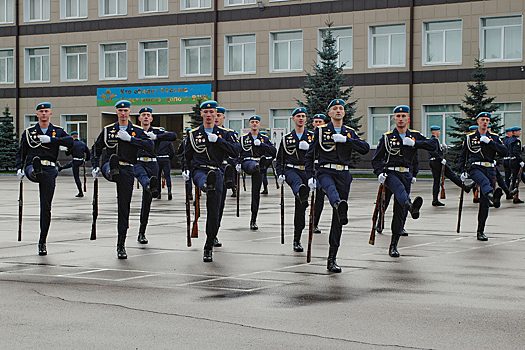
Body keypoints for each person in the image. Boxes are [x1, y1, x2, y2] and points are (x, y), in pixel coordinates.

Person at [305, 99, 370, 272]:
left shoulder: (349, 132)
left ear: (344, 113)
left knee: (338, 220)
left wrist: (347, 140)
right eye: (335, 108)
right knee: (333, 195)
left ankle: (332, 258)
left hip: (343, 174)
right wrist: (310, 176)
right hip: (325, 171)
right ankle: (338, 204)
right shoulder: (320, 131)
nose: (339, 111)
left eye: (341, 108)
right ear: (329, 113)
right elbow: (310, 155)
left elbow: (365, 148)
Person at [91, 100, 154, 259]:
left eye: (126, 110)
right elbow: (96, 149)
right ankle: (111, 170)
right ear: (117, 112)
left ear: (129, 112)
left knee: (124, 207)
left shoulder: (137, 131)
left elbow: (150, 146)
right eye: (120, 110)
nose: (123, 113)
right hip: (110, 166)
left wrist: (131, 140)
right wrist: (94, 166)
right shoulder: (108, 130)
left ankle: (121, 244)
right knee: (111, 165)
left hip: (127, 168)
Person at [372, 105, 435, 258]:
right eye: (398, 116)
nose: (401, 119)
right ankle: (410, 205)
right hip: (391, 173)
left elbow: (433, 145)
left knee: (399, 213)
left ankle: (394, 245)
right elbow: (376, 159)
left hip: (406, 174)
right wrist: (379, 173)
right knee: (398, 191)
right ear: (394, 119)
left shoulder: (414, 136)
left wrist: (415, 144)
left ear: (408, 119)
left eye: (403, 116)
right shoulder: (387, 137)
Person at [183, 100, 239, 262]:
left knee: (214, 212)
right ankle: (207, 185)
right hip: (200, 169)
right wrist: (186, 169)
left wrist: (219, 141)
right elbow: (186, 155)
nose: (209, 115)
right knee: (204, 181)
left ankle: (209, 244)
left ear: (216, 114)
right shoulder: (193, 134)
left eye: (212, 112)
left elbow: (236, 151)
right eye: (205, 112)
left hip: (218, 170)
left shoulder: (225, 134)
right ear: (201, 114)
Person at [16, 102, 74, 255]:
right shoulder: (29, 132)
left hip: (49, 168)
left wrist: (52, 140)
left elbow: (70, 142)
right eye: (40, 111)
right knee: (34, 170)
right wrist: (19, 168)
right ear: (36, 114)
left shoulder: (57, 131)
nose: (43, 114)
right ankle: (36, 171)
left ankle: (42, 241)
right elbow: (21, 152)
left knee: (46, 207)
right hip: (32, 166)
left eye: (46, 111)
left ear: (50, 114)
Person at [458, 112, 508, 241]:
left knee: (484, 204)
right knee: (484, 182)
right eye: (482, 120)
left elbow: (504, 151)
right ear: (478, 121)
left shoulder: (494, 137)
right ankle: (492, 195)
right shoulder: (470, 138)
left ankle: (480, 231)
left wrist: (490, 143)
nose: (485, 122)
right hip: (476, 168)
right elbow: (463, 156)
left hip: (490, 168)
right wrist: (462, 170)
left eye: (487, 120)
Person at [135, 107, 177, 244]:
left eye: (148, 115)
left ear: (151, 118)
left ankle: (142, 232)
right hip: (139, 161)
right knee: (143, 178)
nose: (146, 117)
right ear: (139, 118)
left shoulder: (157, 131)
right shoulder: (135, 131)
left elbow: (173, 136)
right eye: (143, 115)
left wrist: (157, 137)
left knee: (147, 201)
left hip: (153, 163)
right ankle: (148, 183)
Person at [275, 107, 314, 252]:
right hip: (291, 170)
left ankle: (297, 238)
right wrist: (279, 174)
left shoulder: (312, 137)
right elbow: (280, 160)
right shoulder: (287, 139)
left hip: (307, 171)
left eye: (303, 116)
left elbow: (320, 155)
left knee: (301, 208)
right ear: (293, 119)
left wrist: (310, 147)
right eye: (298, 116)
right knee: (297, 185)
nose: (301, 118)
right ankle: (300, 191)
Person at [240, 116, 277, 230]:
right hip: (247, 163)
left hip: (260, 166)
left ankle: (253, 219)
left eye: (256, 122)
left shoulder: (264, 139)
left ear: (259, 124)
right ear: (249, 124)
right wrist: (237, 163)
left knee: (256, 193)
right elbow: (237, 151)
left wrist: (261, 145)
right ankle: (257, 166)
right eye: (252, 122)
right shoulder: (243, 139)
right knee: (252, 165)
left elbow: (273, 152)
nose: (255, 124)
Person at [214, 106, 241, 247]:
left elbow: (236, 150)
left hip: (223, 169)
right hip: (205, 170)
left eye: (219, 115)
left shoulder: (228, 134)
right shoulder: (201, 132)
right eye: (214, 114)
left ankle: (214, 233)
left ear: (223, 117)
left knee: (219, 204)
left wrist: (219, 141)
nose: (216, 117)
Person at [427, 126, 466, 206]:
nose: (439, 133)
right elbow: (433, 151)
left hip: (434, 162)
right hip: (437, 162)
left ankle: (435, 200)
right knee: (451, 175)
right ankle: (465, 187)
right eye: (438, 131)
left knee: (437, 181)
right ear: (434, 132)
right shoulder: (433, 140)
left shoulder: (435, 140)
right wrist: (440, 159)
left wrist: (442, 148)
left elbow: (436, 151)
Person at [58, 131, 90, 198]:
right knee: (71, 163)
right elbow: (88, 153)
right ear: (77, 136)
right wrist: (86, 159)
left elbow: (67, 154)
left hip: (76, 161)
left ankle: (80, 192)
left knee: (76, 177)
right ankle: (61, 168)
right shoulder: (82, 144)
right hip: (81, 160)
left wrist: (68, 149)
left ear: (72, 137)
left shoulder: (72, 144)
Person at [311, 114, 327, 234]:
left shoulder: (326, 135)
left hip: (321, 168)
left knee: (320, 197)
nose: (318, 124)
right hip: (310, 167)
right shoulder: (309, 136)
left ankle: (315, 223)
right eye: (316, 122)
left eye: (320, 121)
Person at [156, 127, 176, 200]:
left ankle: (158, 193)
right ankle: (169, 191)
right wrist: (169, 158)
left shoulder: (157, 140)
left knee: (158, 176)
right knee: (167, 176)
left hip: (158, 158)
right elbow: (173, 151)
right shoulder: (168, 141)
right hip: (166, 158)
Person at [508, 126, 525, 203]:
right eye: (519, 131)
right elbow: (516, 152)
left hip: (511, 160)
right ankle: (514, 195)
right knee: (516, 178)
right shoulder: (516, 141)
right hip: (516, 161)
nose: (520, 133)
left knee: (515, 178)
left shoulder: (510, 140)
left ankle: (514, 194)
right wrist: (520, 161)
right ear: (515, 132)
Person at [177, 128, 193, 200]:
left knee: (188, 178)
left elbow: (179, 151)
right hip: (194, 161)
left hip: (186, 161)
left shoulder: (184, 142)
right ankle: (197, 193)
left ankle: (189, 194)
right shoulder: (195, 141)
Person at [502, 127, 514, 193]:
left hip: (505, 160)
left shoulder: (503, 140)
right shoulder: (510, 140)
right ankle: (510, 191)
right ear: (508, 133)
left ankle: (507, 190)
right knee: (513, 176)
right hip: (510, 160)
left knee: (507, 176)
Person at [260, 130, 271, 195]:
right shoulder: (268, 140)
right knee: (264, 174)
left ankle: (265, 188)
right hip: (268, 159)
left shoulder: (264, 141)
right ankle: (265, 188)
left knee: (263, 174)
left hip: (264, 159)